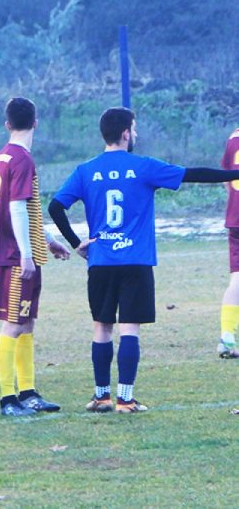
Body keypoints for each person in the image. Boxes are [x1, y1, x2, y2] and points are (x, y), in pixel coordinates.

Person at [49, 107, 239, 413]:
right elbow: (194, 174)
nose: (134, 134)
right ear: (125, 133)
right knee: (129, 329)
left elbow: (56, 207)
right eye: (133, 130)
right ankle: (125, 398)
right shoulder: (143, 167)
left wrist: (77, 244)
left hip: (101, 261)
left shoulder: (85, 170)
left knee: (102, 328)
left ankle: (101, 397)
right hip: (135, 262)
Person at [0, 98, 70, 416]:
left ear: (7, 123)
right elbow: (16, 208)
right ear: (36, 122)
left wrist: (48, 240)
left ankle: (28, 391)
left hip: (28, 251)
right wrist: (25, 253)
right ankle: (8, 399)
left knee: (26, 323)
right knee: (13, 324)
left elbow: (27, 207)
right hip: (16, 255)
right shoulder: (21, 159)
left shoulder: (4, 156)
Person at [218, 127, 239, 358]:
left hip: (235, 218)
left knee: (237, 280)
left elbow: (225, 179)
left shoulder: (234, 136)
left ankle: (227, 338)